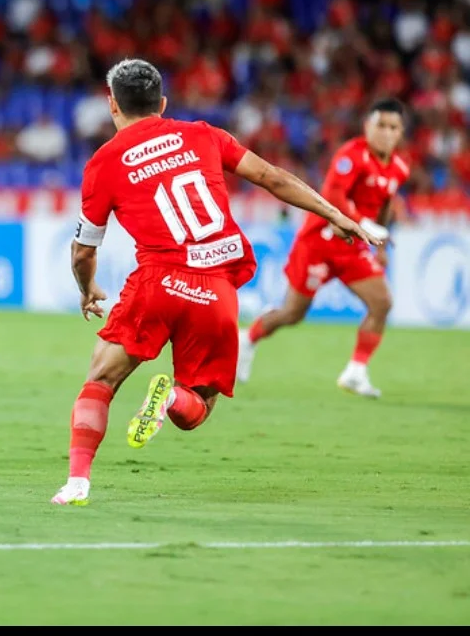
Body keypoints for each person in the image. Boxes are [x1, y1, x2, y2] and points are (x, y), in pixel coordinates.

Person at [50, 59, 381, 506]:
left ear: (112, 105)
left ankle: (76, 484)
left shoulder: (104, 163)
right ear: (162, 103)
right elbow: (272, 178)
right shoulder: (204, 135)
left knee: (101, 380)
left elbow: (84, 250)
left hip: (158, 282)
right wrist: (337, 215)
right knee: (197, 408)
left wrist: (86, 289)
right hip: (216, 288)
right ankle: (170, 402)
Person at [236, 99, 409, 398]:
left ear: (401, 132)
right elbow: (333, 196)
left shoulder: (399, 168)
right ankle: (247, 338)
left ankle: (356, 372)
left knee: (382, 303)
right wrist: (361, 223)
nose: (386, 133)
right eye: (381, 125)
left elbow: (385, 203)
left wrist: (379, 242)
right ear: (367, 126)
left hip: (353, 247)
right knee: (292, 313)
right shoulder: (351, 156)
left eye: (393, 127)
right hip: (319, 243)